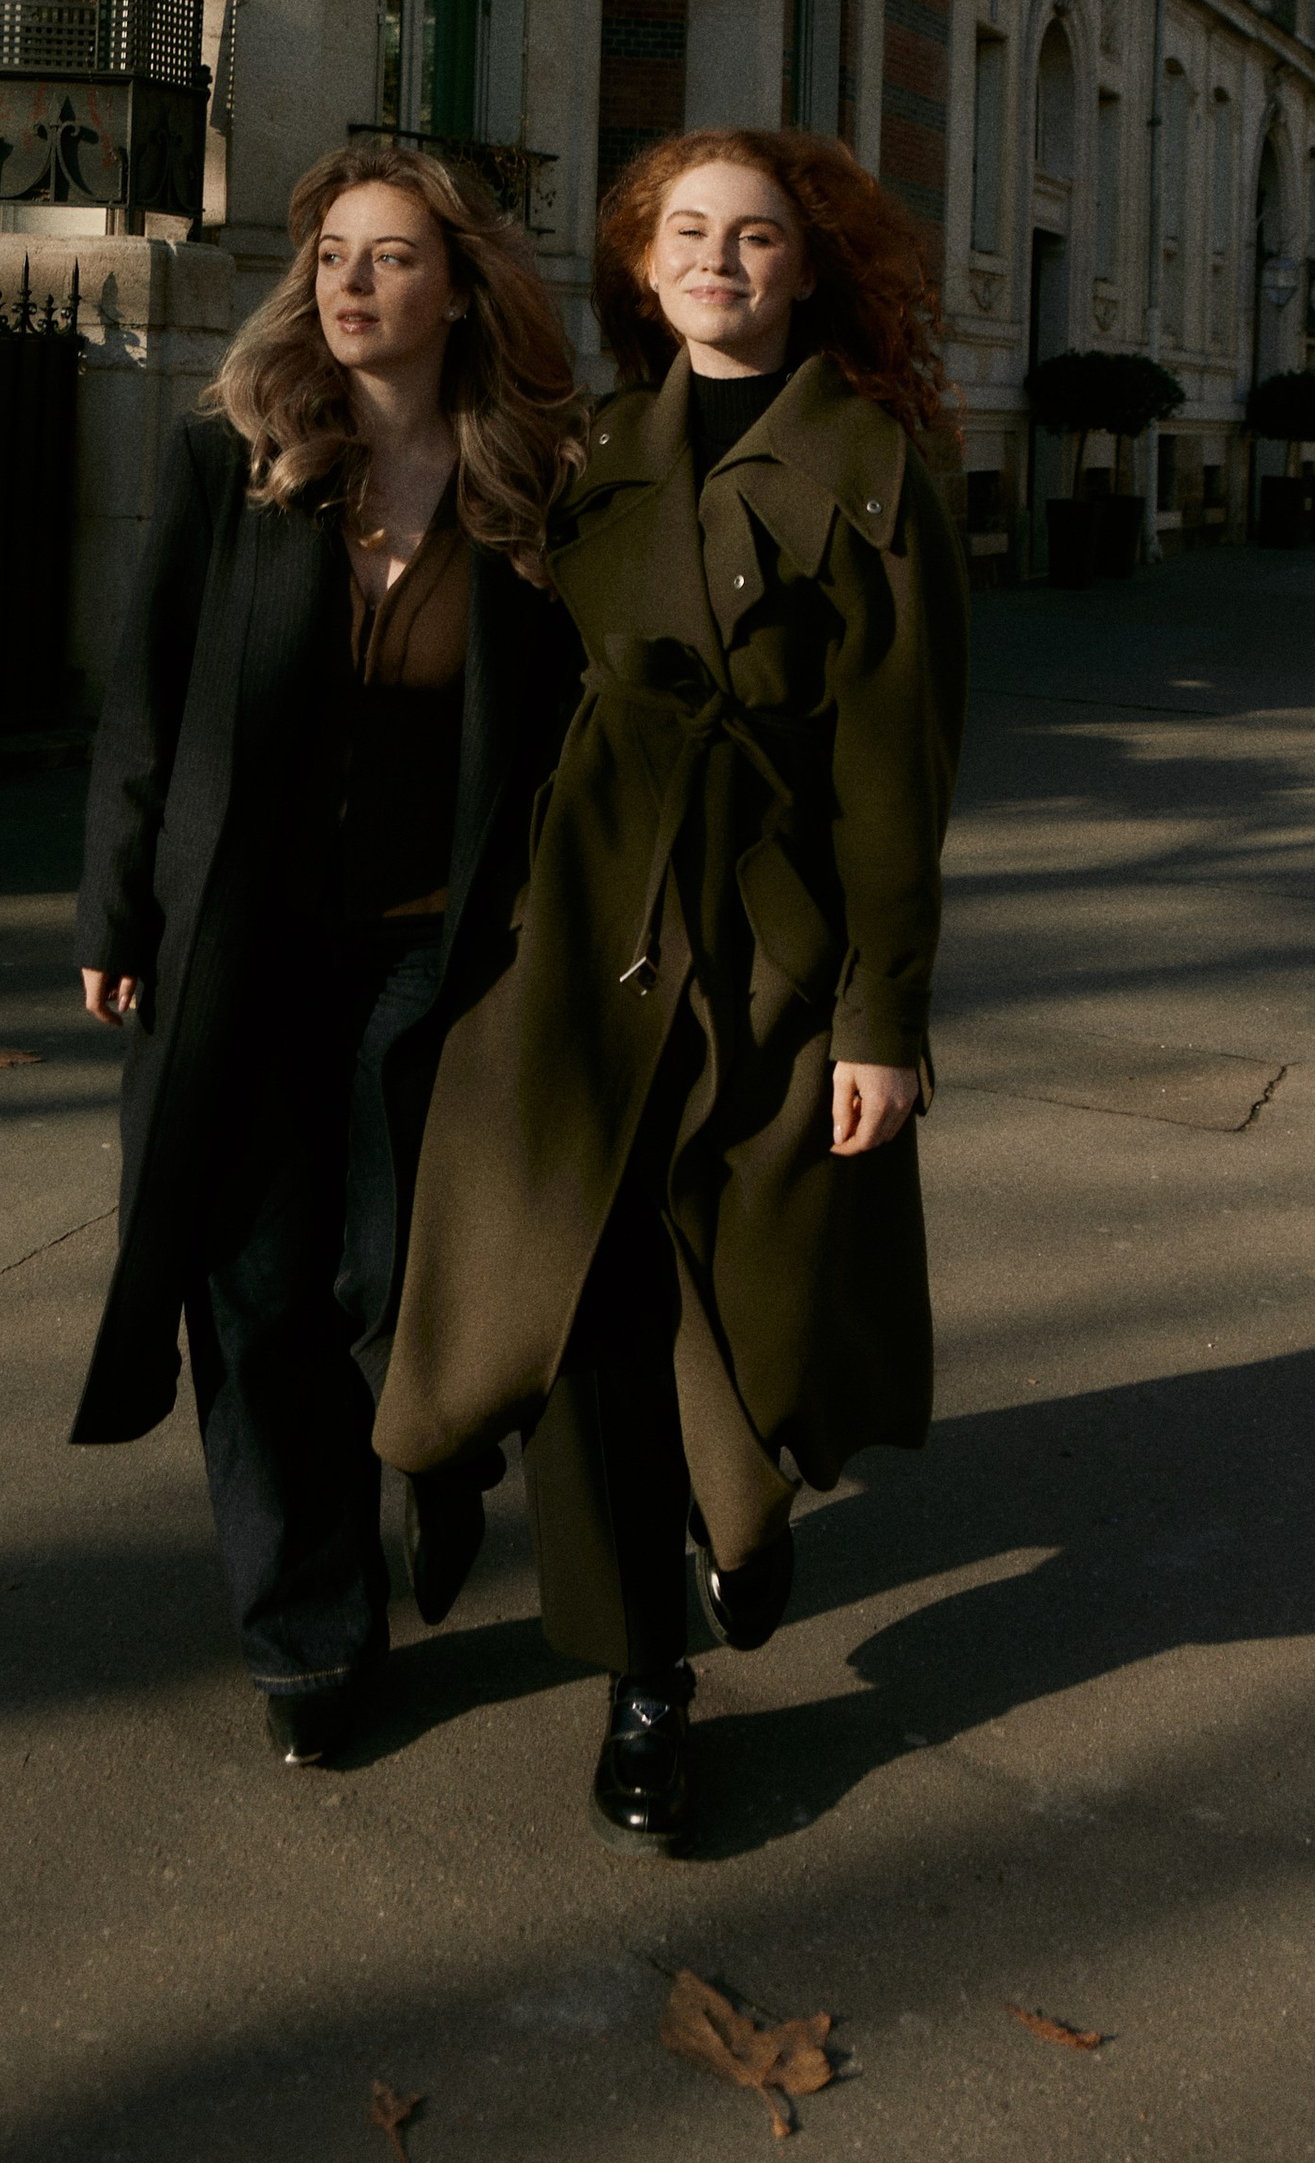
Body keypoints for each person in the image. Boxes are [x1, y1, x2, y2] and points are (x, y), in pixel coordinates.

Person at [377, 126, 968, 1855]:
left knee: (757, 1291)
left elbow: (899, 776)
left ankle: (750, 1508)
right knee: (584, 1314)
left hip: (773, 944)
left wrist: (885, 1022)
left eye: (759, 236)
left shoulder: (875, 470)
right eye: (688, 232)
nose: (720, 259)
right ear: (643, 266)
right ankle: (643, 1680)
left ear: (807, 268)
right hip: (577, 946)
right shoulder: (589, 461)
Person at [70, 142, 583, 1765]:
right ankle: (307, 1633)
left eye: (393, 259)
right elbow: (145, 702)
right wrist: (115, 911)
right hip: (247, 945)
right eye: (334, 260)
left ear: (459, 288)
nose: (353, 285)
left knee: (389, 1278)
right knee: (256, 1284)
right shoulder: (239, 464)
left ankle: (434, 1454)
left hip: (444, 950)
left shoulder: (530, 489)